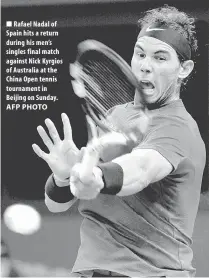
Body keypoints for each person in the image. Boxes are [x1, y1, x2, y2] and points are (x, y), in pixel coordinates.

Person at [32, 5, 206, 277]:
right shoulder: (115, 115)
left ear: (184, 68)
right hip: (89, 272)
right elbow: (57, 204)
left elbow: (140, 170)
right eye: (140, 54)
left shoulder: (179, 128)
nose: (145, 66)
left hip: (151, 274)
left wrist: (99, 177)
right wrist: (65, 176)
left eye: (160, 58)